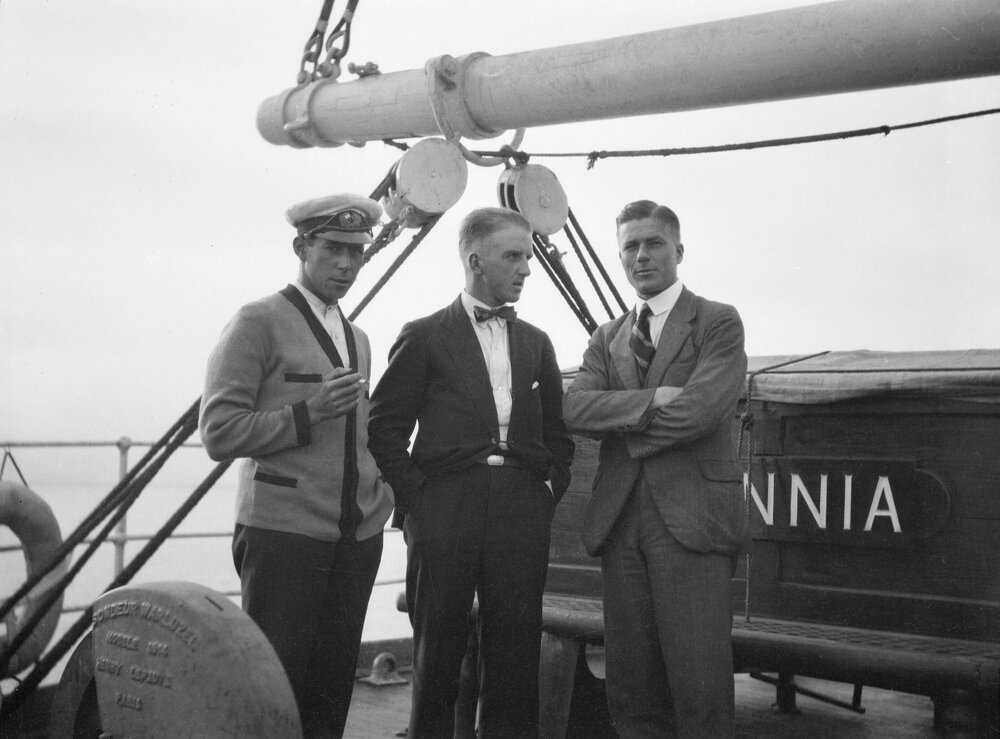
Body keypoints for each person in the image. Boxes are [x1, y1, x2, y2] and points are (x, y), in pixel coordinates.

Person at [368, 206, 575, 739]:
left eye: (528, 256)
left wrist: (547, 490)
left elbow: (559, 434)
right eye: (514, 256)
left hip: (520, 508)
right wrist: (420, 502)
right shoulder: (424, 336)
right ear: (475, 260)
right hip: (446, 506)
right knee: (437, 654)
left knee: (516, 653)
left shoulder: (537, 343)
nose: (526, 269)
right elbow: (384, 430)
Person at [199, 194, 394, 739]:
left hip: (353, 538)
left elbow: (362, 432)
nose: (345, 265)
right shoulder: (256, 321)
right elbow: (218, 432)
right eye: (332, 249)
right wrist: (308, 413)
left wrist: (382, 497)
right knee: (275, 689)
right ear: (300, 247)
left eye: (356, 252)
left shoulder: (358, 338)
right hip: (283, 534)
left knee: (333, 686)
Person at [563, 199, 748, 738]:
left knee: (700, 687)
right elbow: (575, 408)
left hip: (692, 524)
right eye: (629, 247)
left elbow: (701, 411)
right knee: (632, 686)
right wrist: (652, 400)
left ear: (678, 250)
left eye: (653, 244)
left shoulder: (717, 321)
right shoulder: (607, 335)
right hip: (621, 525)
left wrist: (622, 427)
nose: (640, 256)